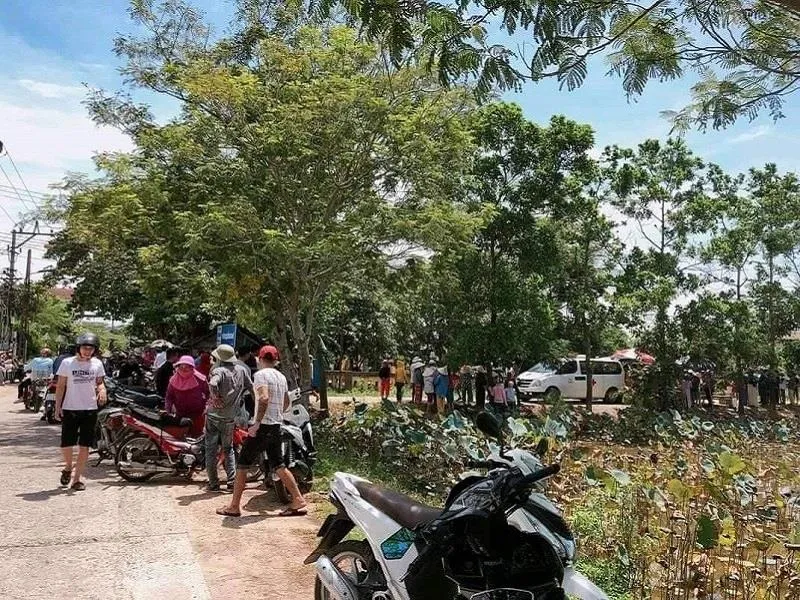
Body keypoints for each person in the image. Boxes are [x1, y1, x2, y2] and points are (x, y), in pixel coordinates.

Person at [218, 345, 307, 518]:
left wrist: (257, 423)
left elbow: (264, 398)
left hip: (263, 426)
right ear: (276, 360)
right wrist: (277, 413)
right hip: (276, 425)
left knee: (242, 464)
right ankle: (298, 499)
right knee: (279, 465)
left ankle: (234, 506)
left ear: (259, 359)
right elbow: (286, 402)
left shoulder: (260, 375)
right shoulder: (281, 377)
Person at [55, 333, 107, 491]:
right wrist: (58, 407)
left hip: (90, 409)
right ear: (78, 348)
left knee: (85, 445)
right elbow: (61, 386)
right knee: (67, 443)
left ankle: (77, 479)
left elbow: (100, 382)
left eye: (91, 349)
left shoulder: (97, 364)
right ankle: (68, 467)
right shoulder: (67, 363)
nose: (88, 351)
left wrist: (102, 390)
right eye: (85, 348)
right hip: (70, 408)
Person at [205, 344, 253, 491]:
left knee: (210, 450)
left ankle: (213, 483)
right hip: (230, 417)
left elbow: (213, 383)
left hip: (213, 416)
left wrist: (215, 397)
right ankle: (231, 481)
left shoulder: (218, 371)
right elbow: (251, 388)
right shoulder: (242, 370)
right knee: (229, 449)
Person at [164, 355, 208, 437]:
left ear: (192, 368)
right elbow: (169, 397)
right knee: (180, 437)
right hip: (180, 414)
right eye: (181, 366)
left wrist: (206, 407)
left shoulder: (200, 379)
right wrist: (168, 410)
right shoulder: (173, 380)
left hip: (197, 414)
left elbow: (209, 394)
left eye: (187, 366)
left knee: (196, 437)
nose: (184, 369)